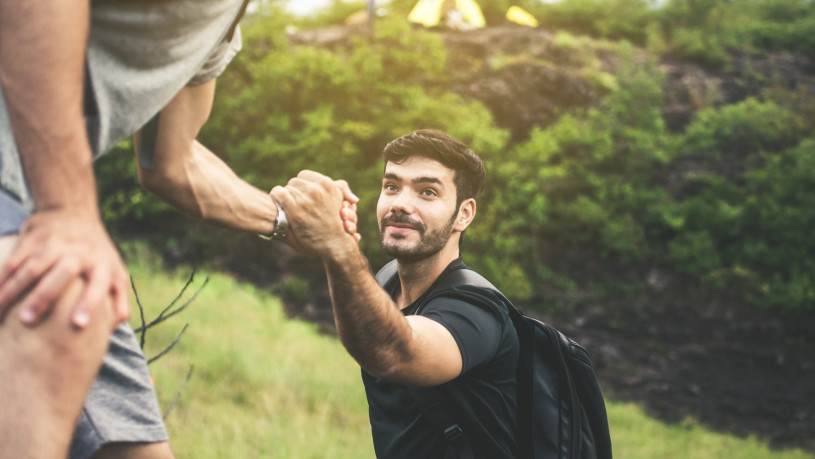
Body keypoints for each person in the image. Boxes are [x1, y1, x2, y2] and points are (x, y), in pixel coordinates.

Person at [0, 1, 357, 458]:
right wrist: (65, 208)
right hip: (31, 201)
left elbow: (170, 162)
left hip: (29, 203)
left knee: (138, 449)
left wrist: (288, 218)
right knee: (60, 301)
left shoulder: (220, 26)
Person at [272, 129, 519, 458]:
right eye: (391, 186)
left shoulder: (478, 310)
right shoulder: (387, 280)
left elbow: (393, 353)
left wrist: (338, 244)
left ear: (464, 214)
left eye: (427, 192)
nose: (401, 203)